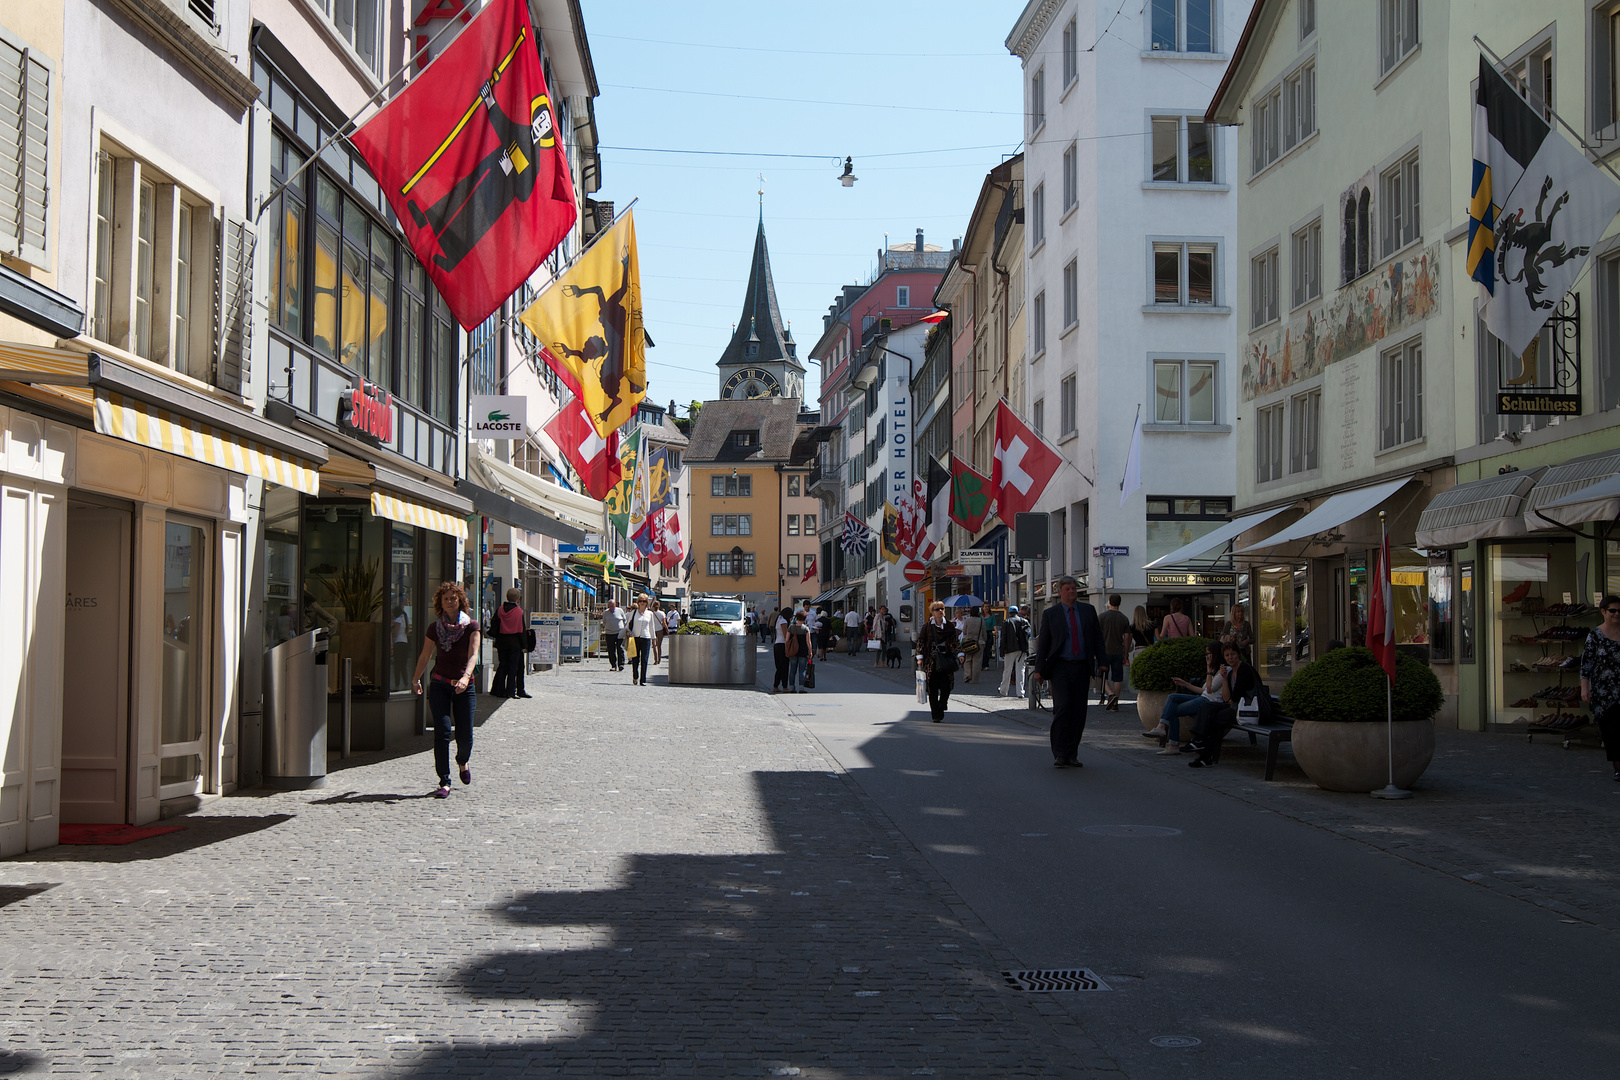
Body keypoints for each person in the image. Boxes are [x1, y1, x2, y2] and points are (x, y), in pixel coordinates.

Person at [411, 581, 480, 799]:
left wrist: (466, 676)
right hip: (440, 683)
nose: (450, 601)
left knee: (465, 734)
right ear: (440, 603)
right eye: (446, 598)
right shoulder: (435, 628)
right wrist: (416, 679)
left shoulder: (472, 626)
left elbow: (473, 655)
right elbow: (425, 656)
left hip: (464, 686)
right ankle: (444, 781)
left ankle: (462, 761)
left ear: (460, 600)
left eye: (453, 598)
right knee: (441, 732)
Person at [1032, 576, 1103, 769]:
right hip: (1060, 667)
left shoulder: (1088, 611)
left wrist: (1102, 662)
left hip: (1081, 667)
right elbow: (1044, 644)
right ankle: (1060, 752)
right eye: (1068, 589)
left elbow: (1097, 638)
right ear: (1060, 592)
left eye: (1074, 589)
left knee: (1079, 712)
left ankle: (1072, 753)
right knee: (1063, 709)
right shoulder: (1051, 614)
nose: (1072, 592)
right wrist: (1038, 670)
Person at [1186, 642, 1260, 768]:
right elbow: (1227, 698)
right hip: (1235, 706)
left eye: (1233, 654)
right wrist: (1225, 678)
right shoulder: (1230, 672)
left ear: (1238, 655)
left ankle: (1203, 751)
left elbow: (1236, 696)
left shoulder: (1244, 669)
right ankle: (1200, 742)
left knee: (1214, 719)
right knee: (1208, 707)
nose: (1230, 658)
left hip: (1246, 709)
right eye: (1227, 655)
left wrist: (1231, 699)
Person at [1142, 641, 1224, 754]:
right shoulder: (1214, 671)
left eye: (1208, 654)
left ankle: (1173, 744)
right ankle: (1162, 726)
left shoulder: (1222, 671)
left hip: (1209, 702)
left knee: (1173, 711)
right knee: (1172, 697)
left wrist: (1208, 670)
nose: (1207, 657)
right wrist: (1185, 684)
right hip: (1203, 698)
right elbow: (1203, 690)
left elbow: (1209, 690)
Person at [1580, 595, 1620, 783]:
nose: (1616, 614)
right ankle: (1618, 767)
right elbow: (1586, 664)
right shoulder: (1595, 635)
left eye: (1619, 611)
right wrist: (1584, 688)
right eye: (1612, 610)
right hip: (1603, 692)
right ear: (1603, 612)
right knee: (1610, 731)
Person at [915, 600, 965, 722]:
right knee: (932, 688)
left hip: (946, 660)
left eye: (942, 609)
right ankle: (935, 714)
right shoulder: (927, 626)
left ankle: (942, 703)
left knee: (946, 686)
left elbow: (955, 641)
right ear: (932, 612)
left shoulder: (949, 626)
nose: (941, 611)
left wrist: (960, 654)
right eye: (937, 609)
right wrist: (920, 658)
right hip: (931, 661)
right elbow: (921, 642)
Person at [491, 587, 530, 698]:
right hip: (514, 643)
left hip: (502, 641)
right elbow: (521, 629)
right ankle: (510, 691)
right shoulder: (518, 612)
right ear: (518, 599)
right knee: (513, 668)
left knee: (503, 666)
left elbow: (494, 624)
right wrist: (524, 645)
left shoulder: (500, 609)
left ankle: (499, 690)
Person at [1098, 594, 1132, 711]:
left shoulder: (1102, 617)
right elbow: (1127, 637)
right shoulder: (1124, 618)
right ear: (1119, 603)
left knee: (1103, 675)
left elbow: (1096, 635)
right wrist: (1125, 653)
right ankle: (1115, 702)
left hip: (1104, 651)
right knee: (1117, 678)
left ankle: (1110, 694)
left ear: (1110, 602)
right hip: (1118, 652)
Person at [998, 604, 1032, 699]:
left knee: (1007, 670)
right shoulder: (1024, 621)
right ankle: (1020, 692)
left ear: (1009, 613)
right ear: (1017, 612)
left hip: (1010, 649)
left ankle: (1003, 690)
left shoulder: (1006, 622)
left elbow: (1003, 638)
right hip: (1022, 649)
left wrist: (1002, 651)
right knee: (1021, 670)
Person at [627, 595, 658, 686]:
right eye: (640, 601)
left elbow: (652, 627)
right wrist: (628, 632)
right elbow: (627, 625)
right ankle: (635, 676)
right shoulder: (633, 612)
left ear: (646, 603)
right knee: (635, 659)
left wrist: (654, 639)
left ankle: (643, 679)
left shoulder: (650, 614)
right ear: (638, 602)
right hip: (635, 637)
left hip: (646, 637)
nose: (642, 603)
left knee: (644, 659)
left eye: (644, 601)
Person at [786, 610, 811, 693]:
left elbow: (787, 640)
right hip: (803, 652)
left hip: (793, 651)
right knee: (802, 670)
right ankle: (801, 687)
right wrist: (810, 651)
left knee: (792, 670)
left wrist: (787, 649)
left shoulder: (791, 627)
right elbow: (808, 641)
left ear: (796, 617)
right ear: (804, 618)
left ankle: (791, 687)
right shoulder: (806, 629)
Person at [959, 606, 985, 683]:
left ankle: (967, 675)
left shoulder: (967, 620)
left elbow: (964, 632)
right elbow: (984, 633)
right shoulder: (981, 621)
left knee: (968, 659)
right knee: (977, 661)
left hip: (968, 642)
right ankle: (975, 679)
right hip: (979, 642)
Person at [772, 605, 793, 692]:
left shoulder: (779, 619)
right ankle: (784, 686)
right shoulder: (784, 621)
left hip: (777, 644)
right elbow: (785, 635)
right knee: (784, 667)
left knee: (779, 667)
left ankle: (776, 685)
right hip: (783, 645)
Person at [601, 599, 626, 671]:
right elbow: (604, 622)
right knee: (611, 650)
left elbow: (624, 620)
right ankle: (613, 665)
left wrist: (624, 628)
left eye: (613, 605)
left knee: (620, 648)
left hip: (619, 633)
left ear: (615, 605)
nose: (612, 607)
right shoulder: (605, 612)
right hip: (609, 633)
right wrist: (607, 627)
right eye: (610, 606)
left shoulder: (620, 610)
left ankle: (621, 664)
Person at [390, 604, 411, 690]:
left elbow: (395, 632)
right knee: (403, 665)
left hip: (398, 643)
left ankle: (397, 685)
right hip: (405, 643)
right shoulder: (405, 618)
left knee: (397, 665)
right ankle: (406, 684)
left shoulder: (398, 619)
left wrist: (392, 628)